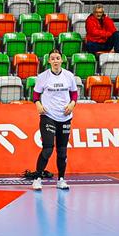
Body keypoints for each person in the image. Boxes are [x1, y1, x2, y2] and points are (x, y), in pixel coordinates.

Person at [30, 50, 80, 191]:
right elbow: (36, 94)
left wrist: (72, 104)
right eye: (53, 58)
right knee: (47, 149)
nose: (55, 61)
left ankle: (61, 180)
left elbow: (74, 93)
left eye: (57, 58)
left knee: (62, 151)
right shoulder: (43, 77)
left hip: (65, 117)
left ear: (61, 60)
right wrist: (38, 104)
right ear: (49, 61)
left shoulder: (69, 76)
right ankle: (37, 179)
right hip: (48, 116)